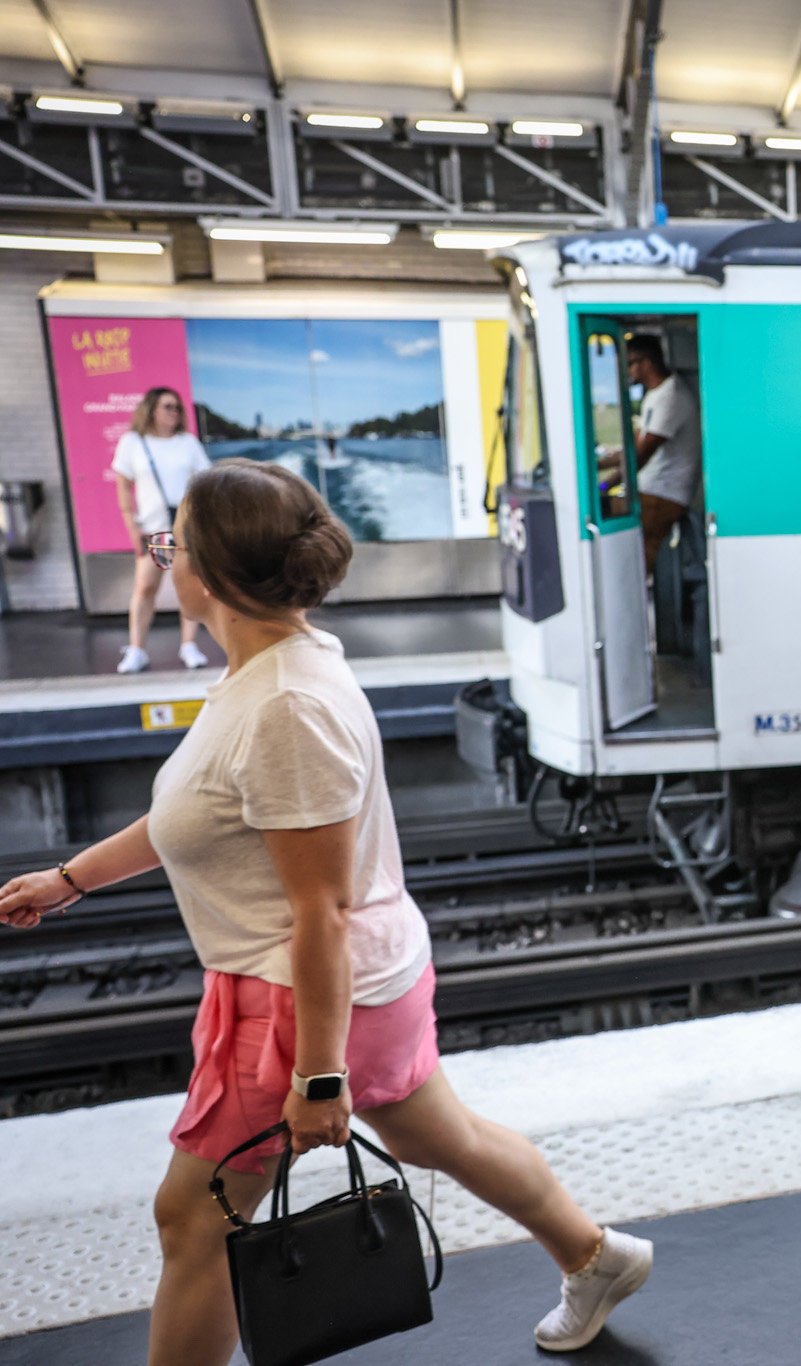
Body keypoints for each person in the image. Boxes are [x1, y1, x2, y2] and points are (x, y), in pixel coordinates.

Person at [0, 460, 651, 1363]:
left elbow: (320, 913)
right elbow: (196, 815)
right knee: (442, 1137)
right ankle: (596, 1254)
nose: (161, 559)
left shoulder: (285, 708)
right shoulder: (277, 664)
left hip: (294, 1006)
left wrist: (317, 1078)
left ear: (214, 575)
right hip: (370, 984)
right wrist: (71, 879)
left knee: (195, 1218)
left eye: (170, 544)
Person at [112, 386, 212, 674]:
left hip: (184, 528)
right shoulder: (133, 442)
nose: (174, 412)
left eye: (177, 407)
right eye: (168, 406)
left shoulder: (187, 443)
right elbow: (122, 484)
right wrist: (130, 523)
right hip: (154, 530)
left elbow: (204, 480)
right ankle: (137, 649)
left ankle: (189, 645)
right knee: (145, 587)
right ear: (152, 410)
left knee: (189, 586)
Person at [625, 334, 701, 571]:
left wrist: (606, 484)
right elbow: (633, 447)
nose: (627, 371)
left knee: (633, 553)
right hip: (650, 487)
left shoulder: (672, 397)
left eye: (629, 363)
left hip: (664, 493)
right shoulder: (654, 396)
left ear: (646, 363)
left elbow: (640, 455)